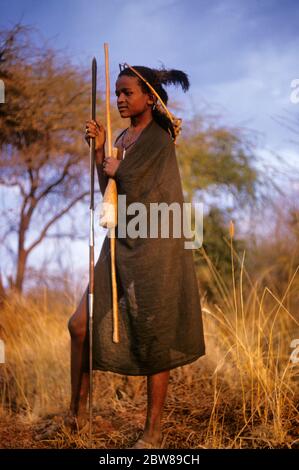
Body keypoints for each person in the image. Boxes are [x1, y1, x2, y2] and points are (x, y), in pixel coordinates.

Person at [68, 63, 205, 449]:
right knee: (79, 324)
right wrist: (99, 151)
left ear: (149, 96)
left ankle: (153, 432)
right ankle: (75, 416)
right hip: (121, 239)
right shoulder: (123, 137)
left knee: (154, 336)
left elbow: (143, 186)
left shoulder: (160, 137)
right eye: (117, 93)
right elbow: (110, 191)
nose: (120, 99)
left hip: (155, 245)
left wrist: (116, 167)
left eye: (128, 92)